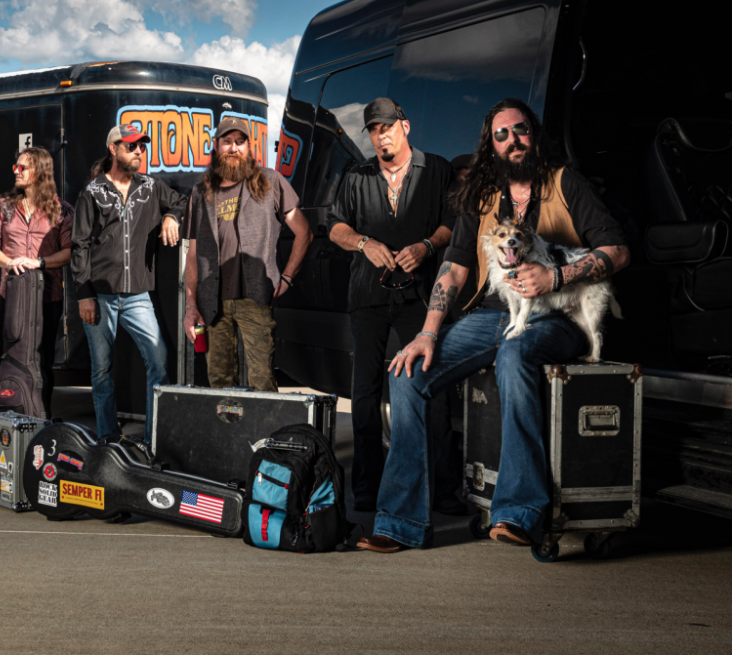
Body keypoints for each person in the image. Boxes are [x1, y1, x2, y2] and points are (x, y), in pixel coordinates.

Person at [357, 98, 630, 553]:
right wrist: (427, 333)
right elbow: (454, 268)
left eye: (520, 130)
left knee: (515, 353)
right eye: (501, 135)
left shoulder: (566, 182)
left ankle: (518, 514)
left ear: (534, 134)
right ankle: (400, 523)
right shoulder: (482, 195)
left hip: (558, 314)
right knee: (407, 372)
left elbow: (617, 251)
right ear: (491, 145)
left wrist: (557, 277)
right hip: (493, 315)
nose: (512, 141)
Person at [326, 98, 458, 513]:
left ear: (405, 126)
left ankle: (444, 489)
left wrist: (427, 246)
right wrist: (363, 243)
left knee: (431, 386)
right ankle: (367, 489)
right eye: (373, 129)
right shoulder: (357, 174)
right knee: (364, 393)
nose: (380, 136)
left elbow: (453, 222)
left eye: (387, 127)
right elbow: (335, 227)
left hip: (420, 296)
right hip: (368, 295)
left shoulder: (436, 169)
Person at [71, 124, 186, 441]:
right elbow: (79, 245)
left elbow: (183, 201)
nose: (139, 152)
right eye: (131, 146)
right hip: (100, 296)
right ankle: (108, 439)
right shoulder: (92, 192)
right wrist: (84, 295)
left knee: (158, 360)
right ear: (113, 149)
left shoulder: (151, 186)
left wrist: (171, 216)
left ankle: (153, 439)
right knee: (101, 370)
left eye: (142, 147)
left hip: (138, 296)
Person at [182, 116, 311, 391]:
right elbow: (192, 255)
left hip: (256, 298)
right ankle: (226, 422)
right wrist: (191, 306)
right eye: (227, 141)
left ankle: (265, 423)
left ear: (248, 147)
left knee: (262, 382)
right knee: (219, 384)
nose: (233, 148)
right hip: (212, 303)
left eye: (240, 142)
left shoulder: (271, 181)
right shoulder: (200, 192)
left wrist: (287, 278)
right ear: (216, 146)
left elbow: (304, 232)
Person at [0, 146, 74, 416]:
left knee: (43, 363)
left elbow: (70, 251)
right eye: (16, 166)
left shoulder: (62, 211)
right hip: (11, 297)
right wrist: (9, 262)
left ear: (40, 172)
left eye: (23, 167)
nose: (16, 172)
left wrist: (40, 262)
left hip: (48, 298)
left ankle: (40, 420)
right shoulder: (3, 208)